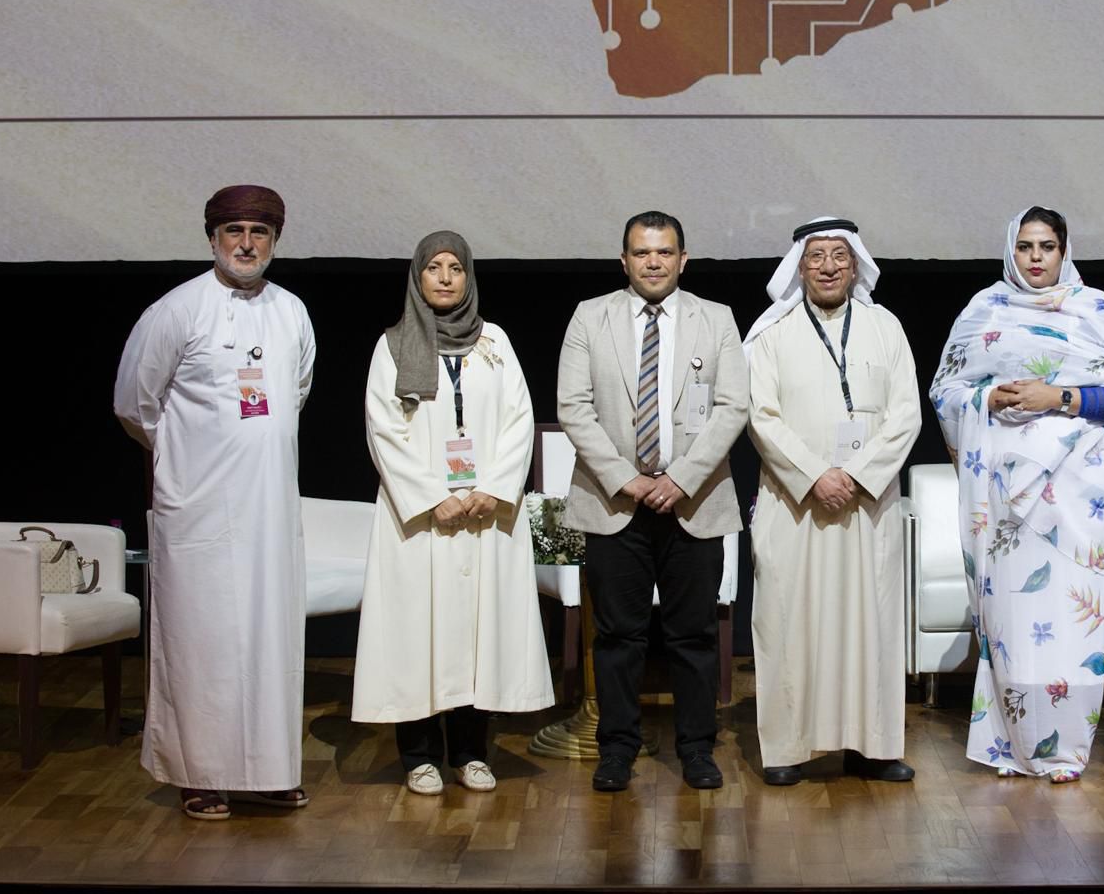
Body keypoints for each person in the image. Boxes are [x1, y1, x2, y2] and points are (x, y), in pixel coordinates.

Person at [113, 185, 314, 820]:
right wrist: (188, 458)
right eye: (235, 231)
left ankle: (270, 771)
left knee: (269, 639)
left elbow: (296, 392)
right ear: (213, 238)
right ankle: (199, 774)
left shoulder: (292, 311)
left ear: (275, 241)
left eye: (259, 232)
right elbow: (134, 403)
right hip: (198, 506)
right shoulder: (177, 310)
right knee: (201, 641)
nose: (246, 244)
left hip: (269, 508)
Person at [931, 206, 1104, 783]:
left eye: (1046, 247)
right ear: (1012, 250)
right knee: (1013, 622)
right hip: (1006, 500)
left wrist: (1059, 398)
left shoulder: (1095, 310)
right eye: (1025, 246)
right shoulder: (984, 310)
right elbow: (947, 391)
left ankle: (1066, 749)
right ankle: (1011, 742)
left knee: (1074, 624)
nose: (1035, 258)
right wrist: (988, 400)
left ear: (1063, 251)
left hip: (1079, 497)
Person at [352, 231, 554, 795]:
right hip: (421, 520)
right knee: (418, 633)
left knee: (475, 634)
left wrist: (493, 489)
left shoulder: (495, 341)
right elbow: (383, 430)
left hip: (483, 514)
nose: (445, 278)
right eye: (434, 267)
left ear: (469, 277)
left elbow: (519, 420)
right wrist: (431, 497)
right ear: (417, 277)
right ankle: (418, 755)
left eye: (455, 268)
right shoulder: (392, 346)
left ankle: (470, 752)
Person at [556, 211, 750, 792]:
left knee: (693, 635)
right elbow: (573, 407)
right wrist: (627, 479)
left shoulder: (716, 319)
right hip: (614, 503)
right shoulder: (589, 316)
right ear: (624, 261)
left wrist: (681, 478)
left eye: (664, 252)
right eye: (642, 253)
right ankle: (617, 748)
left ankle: (696, 748)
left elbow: (732, 407)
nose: (654, 262)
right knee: (618, 637)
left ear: (683, 260)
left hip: (694, 501)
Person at [744, 217, 923, 785]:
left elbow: (906, 414)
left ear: (855, 265)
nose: (827, 267)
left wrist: (857, 475)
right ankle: (788, 749)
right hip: (796, 504)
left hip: (867, 506)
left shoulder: (885, 327)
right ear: (799, 266)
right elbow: (760, 416)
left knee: (871, 625)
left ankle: (874, 746)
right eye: (816, 257)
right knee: (789, 623)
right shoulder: (771, 334)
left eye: (839, 257)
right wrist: (816, 475)